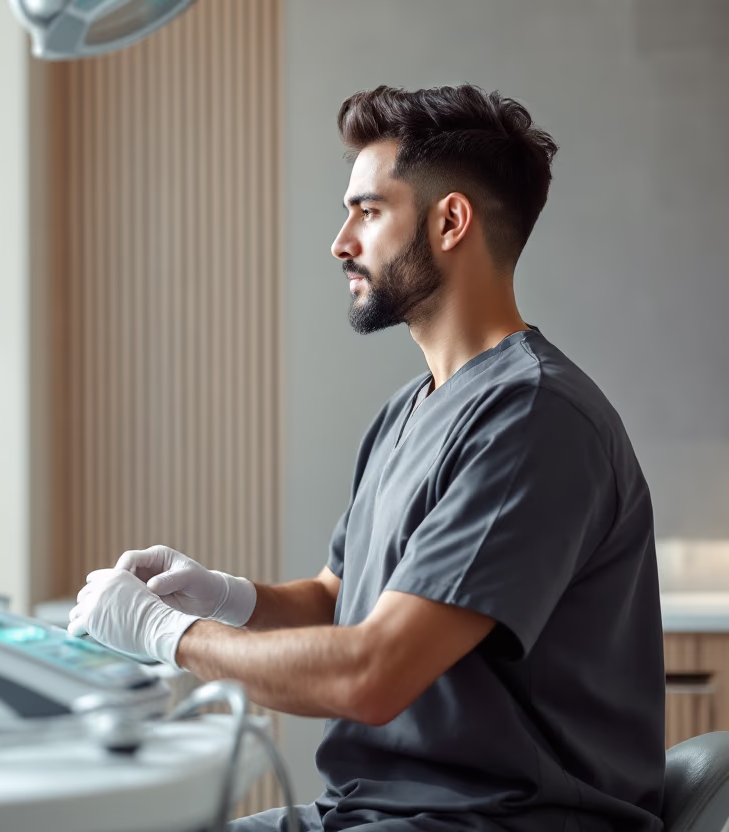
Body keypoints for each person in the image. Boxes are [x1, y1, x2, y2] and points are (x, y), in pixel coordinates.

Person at [68, 85, 665, 831]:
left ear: (450, 222)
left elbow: (374, 674)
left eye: (369, 211)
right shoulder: (408, 411)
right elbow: (337, 597)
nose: (341, 242)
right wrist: (224, 598)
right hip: (369, 812)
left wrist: (166, 635)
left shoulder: (532, 417)